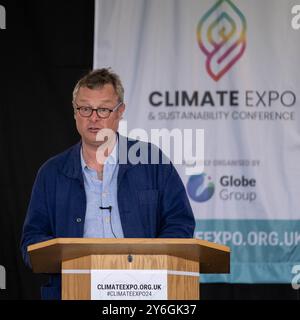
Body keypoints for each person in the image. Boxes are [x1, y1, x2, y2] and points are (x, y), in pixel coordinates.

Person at [21, 68, 195, 300]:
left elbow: (180, 224)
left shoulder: (152, 161)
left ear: (119, 111)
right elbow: (31, 241)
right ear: (75, 112)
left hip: (143, 290)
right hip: (73, 290)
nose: (93, 118)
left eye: (103, 109)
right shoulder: (51, 173)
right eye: (85, 108)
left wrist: (148, 264)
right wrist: (67, 256)